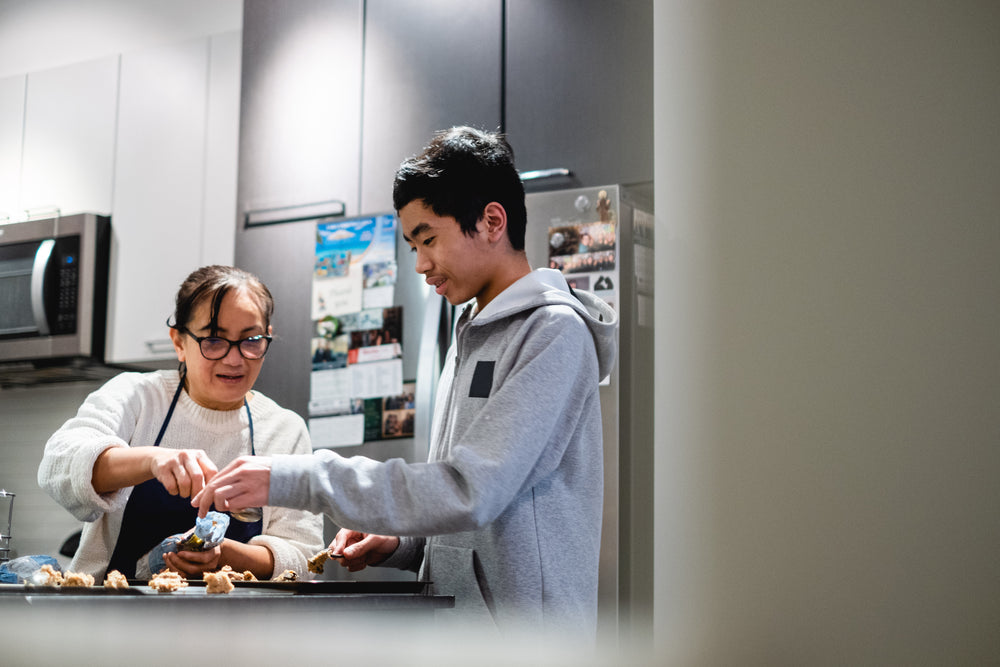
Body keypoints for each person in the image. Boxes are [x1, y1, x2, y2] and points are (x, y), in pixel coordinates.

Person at [194, 127, 618, 635]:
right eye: (413, 245)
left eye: (428, 239)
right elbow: (471, 507)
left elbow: (470, 491)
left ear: (491, 221)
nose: (420, 264)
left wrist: (296, 477)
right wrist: (402, 544)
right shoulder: (471, 332)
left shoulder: (553, 333)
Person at [38, 265, 323, 581]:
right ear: (178, 342)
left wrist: (223, 555)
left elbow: (306, 560)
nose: (235, 359)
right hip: (113, 615)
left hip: (236, 624)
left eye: (251, 340)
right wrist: (152, 460)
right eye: (214, 339)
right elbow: (57, 468)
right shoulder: (138, 396)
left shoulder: (284, 430)